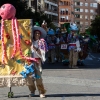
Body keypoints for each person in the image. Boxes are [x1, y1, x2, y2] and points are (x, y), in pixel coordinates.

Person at [26, 24, 48, 98]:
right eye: (36, 33)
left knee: (38, 77)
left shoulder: (41, 42)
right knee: (29, 78)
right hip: (29, 61)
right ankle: (32, 91)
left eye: (38, 33)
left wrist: (35, 48)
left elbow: (42, 53)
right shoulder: (29, 41)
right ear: (33, 34)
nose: (37, 34)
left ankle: (41, 92)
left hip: (37, 62)